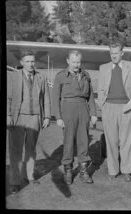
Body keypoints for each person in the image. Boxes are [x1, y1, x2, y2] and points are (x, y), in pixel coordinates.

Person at [7, 50, 51, 194]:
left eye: (32, 61)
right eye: (27, 61)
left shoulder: (41, 77)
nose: (31, 64)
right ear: (21, 63)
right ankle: (15, 181)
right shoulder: (13, 76)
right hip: (18, 117)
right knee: (15, 150)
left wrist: (47, 116)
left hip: (35, 117)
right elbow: (7, 98)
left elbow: (46, 98)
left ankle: (29, 176)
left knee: (31, 148)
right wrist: (8, 115)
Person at [97, 41, 131, 182]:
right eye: (111, 53)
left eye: (116, 53)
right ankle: (113, 170)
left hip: (127, 108)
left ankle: (127, 170)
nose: (114, 56)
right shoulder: (103, 68)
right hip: (109, 107)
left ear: (122, 53)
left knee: (127, 141)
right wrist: (102, 106)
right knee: (111, 140)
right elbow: (100, 89)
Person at [52, 50, 97, 185]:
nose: (76, 65)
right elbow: (55, 98)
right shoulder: (60, 76)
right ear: (68, 61)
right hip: (68, 109)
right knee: (68, 141)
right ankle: (68, 171)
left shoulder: (86, 75)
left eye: (78, 62)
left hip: (83, 108)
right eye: (74, 62)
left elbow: (90, 97)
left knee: (83, 141)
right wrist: (58, 117)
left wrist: (93, 114)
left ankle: (83, 172)